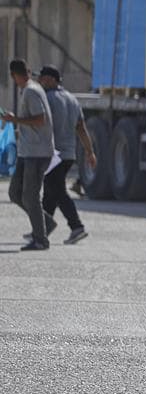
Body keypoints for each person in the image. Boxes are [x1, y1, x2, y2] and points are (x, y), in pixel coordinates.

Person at [37, 66, 96, 244]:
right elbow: (81, 128)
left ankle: (76, 227)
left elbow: (41, 123)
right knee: (50, 191)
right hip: (69, 154)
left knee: (58, 191)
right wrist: (89, 151)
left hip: (53, 154)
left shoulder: (47, 99)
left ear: (51, 80)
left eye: (43, 79)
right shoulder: (72, 99)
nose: (41, 82)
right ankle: (41, 229)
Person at [3, 59, 54, 251]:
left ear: (14, 75)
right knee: (15, 193)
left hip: (37, 152)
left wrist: (15, 119)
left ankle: (41, 239)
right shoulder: (30, 89)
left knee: (30, 196)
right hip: (28, 151)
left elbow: (40, 120)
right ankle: (45, 223)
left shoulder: (31, 91)